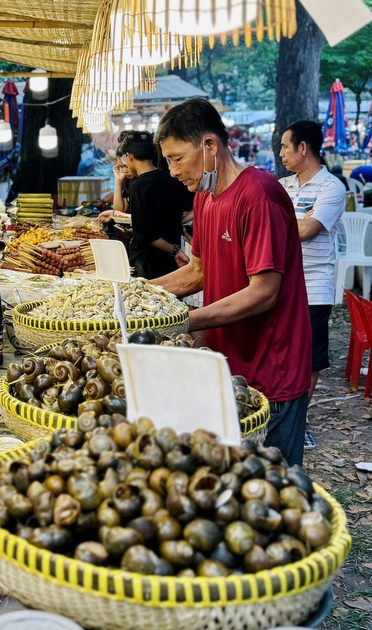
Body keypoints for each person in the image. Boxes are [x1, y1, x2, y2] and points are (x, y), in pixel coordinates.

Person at [151, 98, 312, 467]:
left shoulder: (260, 195)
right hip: (229, 362)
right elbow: (197, 272)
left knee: (274, 482)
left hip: (274, 365)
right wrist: (137, 295)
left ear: (210, 145)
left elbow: (263, 293)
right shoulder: (205, 199)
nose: (172, 172)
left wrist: (182, 321)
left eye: (177, 158)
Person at [278, 120, 347, 451]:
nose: (280, 154)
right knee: (281, 351)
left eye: (284, 147)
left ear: (303, 148)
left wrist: (277, 221)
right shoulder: (282, 186)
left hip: (315, 284)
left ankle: (298, 423)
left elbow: (308, 230)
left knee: (309, 360)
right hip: (280, 282)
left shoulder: (331, 188)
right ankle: (279, 415)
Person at [100, 131, 193, 279]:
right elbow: (196, 205)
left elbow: (146, 234)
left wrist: (175, 250)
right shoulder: (171, 180)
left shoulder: (139, 185)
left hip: (146, 263)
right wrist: (177, 223)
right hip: (169, 262)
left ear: (129, 156)